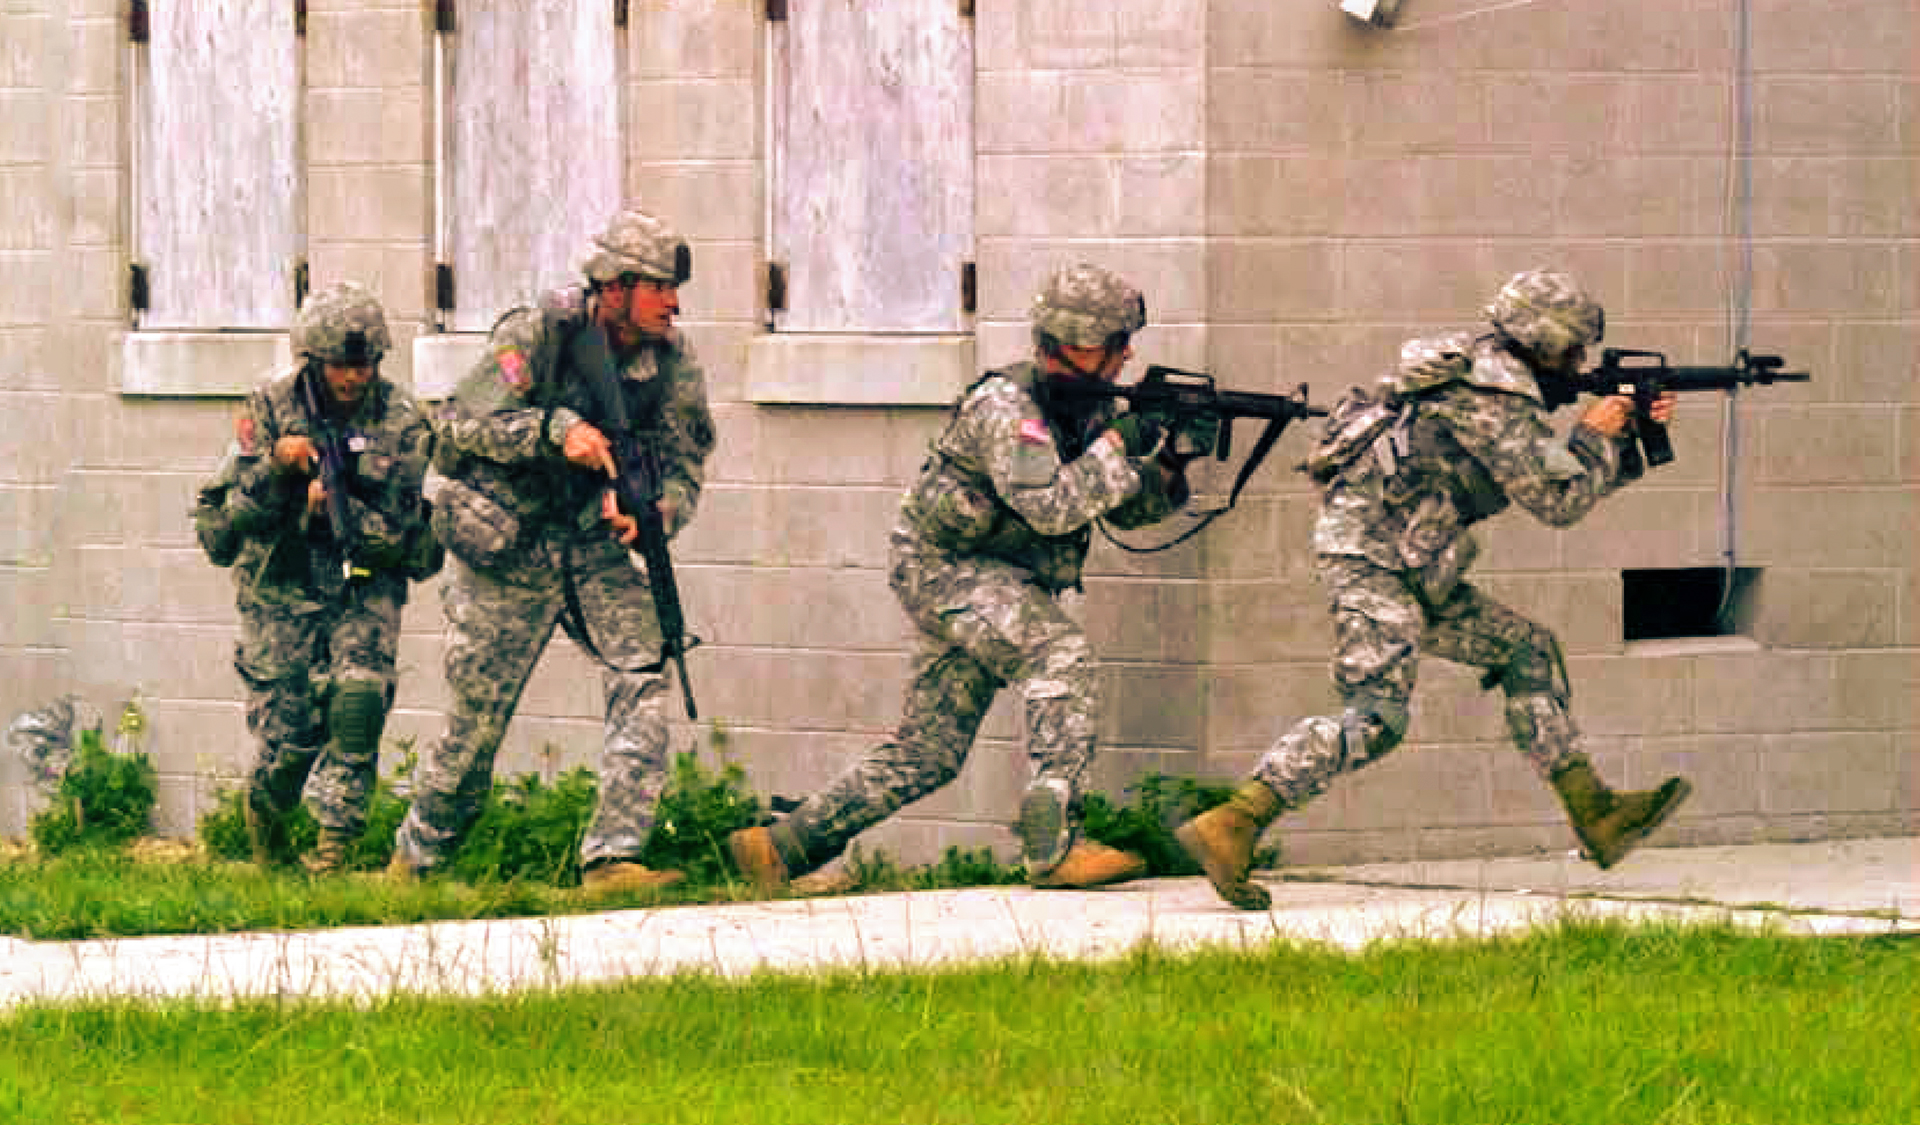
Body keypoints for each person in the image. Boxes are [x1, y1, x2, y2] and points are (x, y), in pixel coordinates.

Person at [1175, 269, 1694, 910]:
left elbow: (1559, 480)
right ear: (1545, 343)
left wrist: (1626, 439)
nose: (1579, 366)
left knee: (1527, 651)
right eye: (1573, 354)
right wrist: (1594, 436)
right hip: (1374, 560)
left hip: (1411, 559)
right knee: (1377, 716)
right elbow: (1558, 501)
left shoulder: (1478, 372)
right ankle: (1235, 820)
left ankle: (1596, 813)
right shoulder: (1493, 400)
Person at [729, 262, 1192, 892]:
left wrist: (1168, 467)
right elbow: (1052, 508)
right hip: (946, 572)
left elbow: (1119, 509)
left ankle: (781, 846)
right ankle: (1056, 846)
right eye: (1116, 342)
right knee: (1061, 656)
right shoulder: (1008, 408)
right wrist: (1114, 446)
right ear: (1078, 344)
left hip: (994, 579)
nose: (1127, 355)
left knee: (930, 751)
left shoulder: (1089, 407)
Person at [388, 208, 716, 894]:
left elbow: (685, 466)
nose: (674, 303)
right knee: (478, 719)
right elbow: (458, 422)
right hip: (508, 547)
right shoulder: (538, 334)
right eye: (659, 287)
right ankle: (414, 861)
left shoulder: (673, 364)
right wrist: (552, 429)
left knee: (643, 670)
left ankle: (612, 859)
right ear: (616, 286)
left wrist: (655, 511)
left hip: (592, 545)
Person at [192, 281, 439, 873]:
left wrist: (345, 513)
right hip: (281, 582)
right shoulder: (268, 408)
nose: (353, 378)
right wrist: (280, 474)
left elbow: (406, 526)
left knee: (358, 702)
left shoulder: (403, 419)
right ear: (313, 359)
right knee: (291, 733)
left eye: (365, 364)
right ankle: (269, 829)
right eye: (340, 365)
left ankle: (334, 852)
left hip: (364, 580)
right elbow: (233, 520)